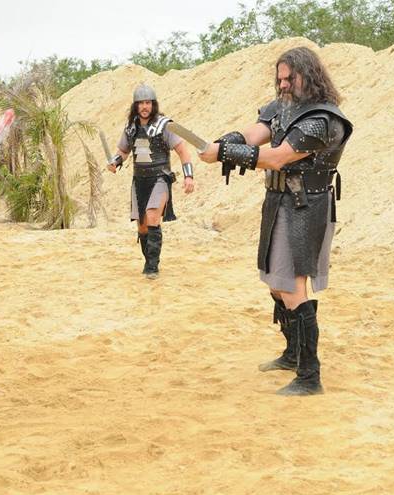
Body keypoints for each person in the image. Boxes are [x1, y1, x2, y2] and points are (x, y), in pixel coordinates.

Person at [198, 47, 353, 396]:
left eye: (289, 78)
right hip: (278, 200)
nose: (282, 84)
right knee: (275, 283)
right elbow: (255, 134)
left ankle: (309, 376)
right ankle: (292, 353)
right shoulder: (283, 108)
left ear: (308, 76)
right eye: (279, 78)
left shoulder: (322, 120)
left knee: (292, 285)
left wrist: (223, 153)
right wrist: (225, 142)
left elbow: (278, 157)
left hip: (306, 205)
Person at [107, 84, 195, 278]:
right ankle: (148, 260)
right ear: (135, 106)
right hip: (139, 180)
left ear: (153, 105)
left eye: (148, 103)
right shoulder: (131, 128)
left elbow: (183, 151)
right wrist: (115, 161)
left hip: (159, 178)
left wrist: (188, 176)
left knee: (153, 216)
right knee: (142, 225)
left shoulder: (165, 125)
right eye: (141, 103)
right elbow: (123, 151)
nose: (144, 106)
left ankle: (152, 267)